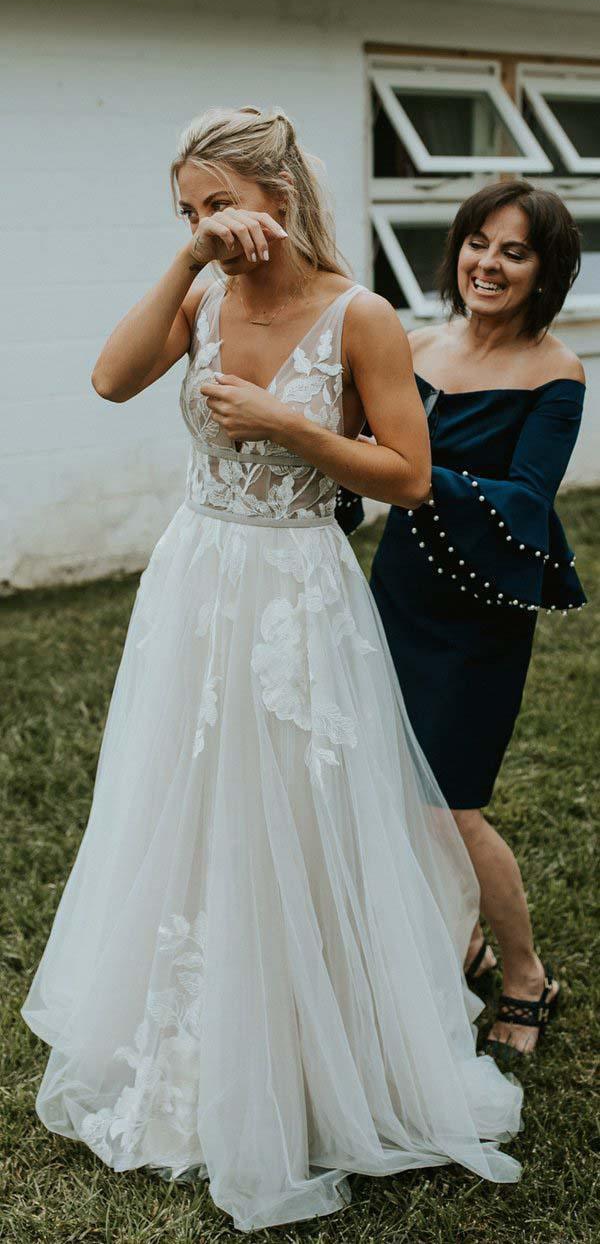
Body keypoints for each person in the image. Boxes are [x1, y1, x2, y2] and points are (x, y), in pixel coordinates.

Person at [21, 108, 523, 1235]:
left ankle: (313, 1047)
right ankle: (193, 1036)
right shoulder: (200, 294)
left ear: (279, 198)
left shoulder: (361, 316)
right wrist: (186, 259)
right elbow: (109, 380)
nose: (204, 224)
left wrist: (285, 426)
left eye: (218, 203)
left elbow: (407, 476)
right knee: (188, 797)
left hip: (298, 590)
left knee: (295, 804)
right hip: (196, 579)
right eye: (187, 209)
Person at [367, 180, 585, 1060]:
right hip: (396, 594)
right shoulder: (415, 345)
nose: (488, 264)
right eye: (477, 243)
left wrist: (412, 477)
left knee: (450, 806)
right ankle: (464, 943)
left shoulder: (557, 373)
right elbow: (360, 455)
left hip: (480, 617)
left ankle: (526, 976)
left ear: (545, 273)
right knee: (390, 787)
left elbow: (527, 501)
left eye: (514, 252)